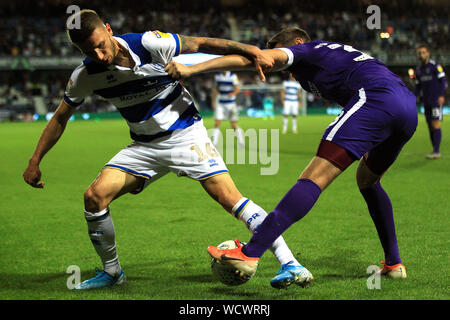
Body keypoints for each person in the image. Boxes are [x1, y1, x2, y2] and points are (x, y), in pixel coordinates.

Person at [22, 11, 311, 290]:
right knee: (94, 197)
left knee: (230, 198)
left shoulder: (149, 44)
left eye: (100, 45)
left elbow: (201, 43)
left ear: (108, 30)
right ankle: (112, 272)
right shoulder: (85, 75)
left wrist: (250, 49)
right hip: (144, 147)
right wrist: (35, 160)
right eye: (89, 51)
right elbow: (60, 116)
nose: (99, 55)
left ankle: (291, 264)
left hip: (186, 136)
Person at [166, 27, 417, 282]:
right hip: (406, 107)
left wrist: (192, 69)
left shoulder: (306, 50)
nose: (282, 69)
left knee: (313, 179)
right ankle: (394, 264)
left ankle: (250, 253)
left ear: (296, 43)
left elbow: (254, 59)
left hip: (374, 99)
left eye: (279, 52)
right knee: (368, 181)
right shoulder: (327, 56)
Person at [415, 44, 447, 159]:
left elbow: (443, 81)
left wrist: (441, 95)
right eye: (419, 53)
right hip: (426, 102)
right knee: (429, 126)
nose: (421, 55)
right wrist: (415, 98)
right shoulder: (418, 70)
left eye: (423, 52)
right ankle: (434, 149)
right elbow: (417, 87)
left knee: (435, 124)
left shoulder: (435, 66)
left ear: (428, 53)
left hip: (435, 100)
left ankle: (436, 151)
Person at [211, 71, 244, 147]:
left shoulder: (233, 76)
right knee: (217, 123)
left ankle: (241, 141)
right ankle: (214, 143)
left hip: (231, 104)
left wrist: (233, 93)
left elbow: (237, 89)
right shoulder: (217, 76)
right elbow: (216, 90)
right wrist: (213, 101)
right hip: (220, 103)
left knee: (233, 124)